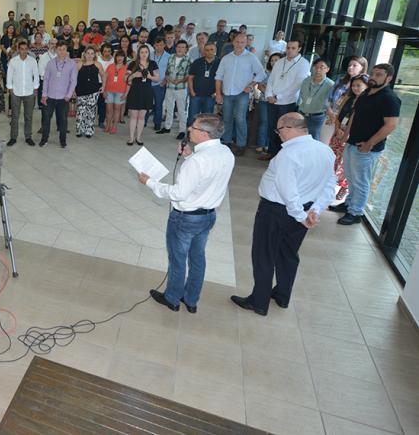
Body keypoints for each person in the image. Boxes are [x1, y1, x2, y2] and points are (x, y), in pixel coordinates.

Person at [231, 113, 336, 316]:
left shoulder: (288, 154)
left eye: (279, 131)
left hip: (277, 211)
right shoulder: (325, 150)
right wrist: (314, 210)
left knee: (264, 255)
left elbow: (288, 190)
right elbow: (329, 184)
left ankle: (259, 302)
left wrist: (301, 215)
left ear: (289, 128)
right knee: (288, 254)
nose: (278, 135)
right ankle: (282, 295)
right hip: (303, 209)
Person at [138, 114, 235, 313]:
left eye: (194, 127)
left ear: (205, 134)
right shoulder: (226, 153)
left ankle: (172, 298)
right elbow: (207, 177)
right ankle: (191, 300)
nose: (189, 129)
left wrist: (150, 182)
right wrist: (189, 155)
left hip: (186, 219)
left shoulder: (198, 161)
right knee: (198, 258)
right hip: (208, 216)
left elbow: (179, 193)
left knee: (178, 259)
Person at [330, 63, 401, 226]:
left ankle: (356, 213)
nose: (374, 77)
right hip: (352, 142)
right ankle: (349, 204)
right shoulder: (366, 93)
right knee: (350, 177)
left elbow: (391, 125)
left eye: (379, 75)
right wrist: (346, 135)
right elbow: (354, 115)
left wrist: (370, 143)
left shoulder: (390, 98)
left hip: (367, 147)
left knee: (361, 181)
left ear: (388, 78)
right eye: (373, 74)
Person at [214, 32, 266, 156]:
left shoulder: (251, 57)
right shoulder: (226, 58)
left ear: (246, 43)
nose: (239, 44)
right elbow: (219, 76)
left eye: (242, 42)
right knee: (226, 118)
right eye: (237, 42)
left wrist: (251, 85)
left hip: (242, 93)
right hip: (227, 93)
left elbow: (261, 73)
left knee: (240, 119)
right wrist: (218, 93)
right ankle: (226, 142)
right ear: (233, 42)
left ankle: (241, 145)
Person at [261, 39, 311, 159]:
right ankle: (272, 154)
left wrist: (278, 97)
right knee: (272, 128)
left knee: (286, 129)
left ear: (299, 49)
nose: (289, 50)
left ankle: (283, 156)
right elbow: (271, 79)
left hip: (287, 102)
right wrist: (268, 94)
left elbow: (297, 85)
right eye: (288, 48)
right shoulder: (280, 61)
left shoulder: (303, 63)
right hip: (272, 100)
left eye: (293, 48)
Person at [330, 74, 370, 202]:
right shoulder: (348, 98)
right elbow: (338, 115)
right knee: (333, 160)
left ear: (367, 86)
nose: (355, 88)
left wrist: (346, 135)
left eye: (359, 85)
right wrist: (337, 129)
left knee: (345, 164)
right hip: (338, 134)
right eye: (353, 85)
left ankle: (344, 188)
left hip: (350, 138)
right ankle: (329, 183)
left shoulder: (366, 102)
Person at [40, 43, 77, 148]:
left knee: (63, 121)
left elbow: (73, 81)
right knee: (46, 119)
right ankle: (44, 139)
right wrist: (44, 94)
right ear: (56, 50)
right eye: (59, 49)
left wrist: (69, 95)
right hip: (49, 97)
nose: (61, 51)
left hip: (63, 98)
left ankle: (63, 140)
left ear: (67, 51)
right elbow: (46, 80)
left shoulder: (72, 64)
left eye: (64, 49)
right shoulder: (50, 63)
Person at [6, 40, 39, 147]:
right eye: (21, 49)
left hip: (29, 92)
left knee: (28, 116)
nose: (24, 51)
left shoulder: (32, 61)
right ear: (18, 50)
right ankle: (13, 137)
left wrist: (35, 88)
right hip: (16, 92)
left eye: (25, 49)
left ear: (28, 49)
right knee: (15, 116)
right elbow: (9, 75)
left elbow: (36, 75)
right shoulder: (13, 61)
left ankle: (28, 137)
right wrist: (10, 88)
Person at [125, 45, 159, 146]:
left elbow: (157, 78)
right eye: (142, 52)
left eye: (146, 52)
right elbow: (125, 79)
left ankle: (138, 137)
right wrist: (134, 75)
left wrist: (149, 76)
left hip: (147, 91)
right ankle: (131, 138)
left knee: (142, 117)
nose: (144, 54)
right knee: (133, 116)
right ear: (138, 53)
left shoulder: (153, 64)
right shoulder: (132, 64)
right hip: (135, 91)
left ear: (149, 53)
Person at [159, 40, 192, 138]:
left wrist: (181, 80)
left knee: (182, 110)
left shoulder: (189, 59)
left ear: (186, 49)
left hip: (181, 88)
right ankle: (167, 127)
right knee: (169, 108)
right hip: (170, 87)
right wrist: (167, 78)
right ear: (176, 47)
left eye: (183, 47)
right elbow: (167, 71)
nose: (180, 49)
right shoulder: (171, 57)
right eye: (178, 47)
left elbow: (189, 75)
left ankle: (182, 131)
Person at [297, 59, 334, 140]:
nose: (318, 70)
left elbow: (331, 103)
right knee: (299, 139)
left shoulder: (330, 84)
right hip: (302, 114)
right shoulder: (306, 80)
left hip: (317, 117)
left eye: (322, 67)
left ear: (327, 69)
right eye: (316, 67)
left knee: (313, 140)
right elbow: (301, 96)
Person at [186, 42, 219, 130]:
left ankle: (205, 136)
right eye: (207, 50)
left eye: (212, 49)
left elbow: (222, 80)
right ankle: (190, 134)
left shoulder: (220, 63)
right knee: (192, 116)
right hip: (196, 95)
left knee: (207, 119)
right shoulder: (197, 62)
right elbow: (190, 78)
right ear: (204, 51)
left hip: (210, 96)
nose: (209, 52)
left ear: (215, 50)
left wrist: (216, 93)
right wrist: (192, 92)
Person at [254, 53, 282, 153]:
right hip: (264, 101)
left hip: (278, 102)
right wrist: (269, 94)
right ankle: (261, 144)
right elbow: (260, 85)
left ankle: (268, 145)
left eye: (276, 60)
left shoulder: (284, 74)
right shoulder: (266, 73)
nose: (274, 62)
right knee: (264, 122)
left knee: (273, 124)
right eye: (272, 60)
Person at [74, 47, 103, 139]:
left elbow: (104, 75)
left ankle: (89, 130)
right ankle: (79, 130)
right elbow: (73, 78)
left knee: (91, 112)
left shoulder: (98, 64)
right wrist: (73, 90)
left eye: (92, 53)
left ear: (95, 55)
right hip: (81, 91)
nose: (90, 55)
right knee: (80, 111)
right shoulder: (79, 64)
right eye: (88, 53)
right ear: (85, 54)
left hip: (93, 92)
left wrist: (104, 86)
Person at [103, 50, 129, 134]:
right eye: (118, 56)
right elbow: (105, 78)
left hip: (120, 92)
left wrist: (126, 94)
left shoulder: (127, 68)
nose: (119, 58)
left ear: (124, 58)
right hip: (109, 91)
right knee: (108, 110)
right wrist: (103, 90)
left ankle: (114, 127)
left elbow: (129, 82)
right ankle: (108, 125)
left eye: (121, 56)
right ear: (115, 57)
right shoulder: (110, 66)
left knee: (117, 110)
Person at [148, 38, 171, 131]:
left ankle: (157, 123)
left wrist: (165, 81)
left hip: (160, 84)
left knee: (158, 104)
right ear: (154, 45)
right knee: (147, 104)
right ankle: (143, 122)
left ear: (164, 45)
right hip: (149, 82)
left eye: (161, 45)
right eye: (157, 45)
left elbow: (169, 71)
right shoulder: (149, 55)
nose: (159, 47)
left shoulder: (169, 56)